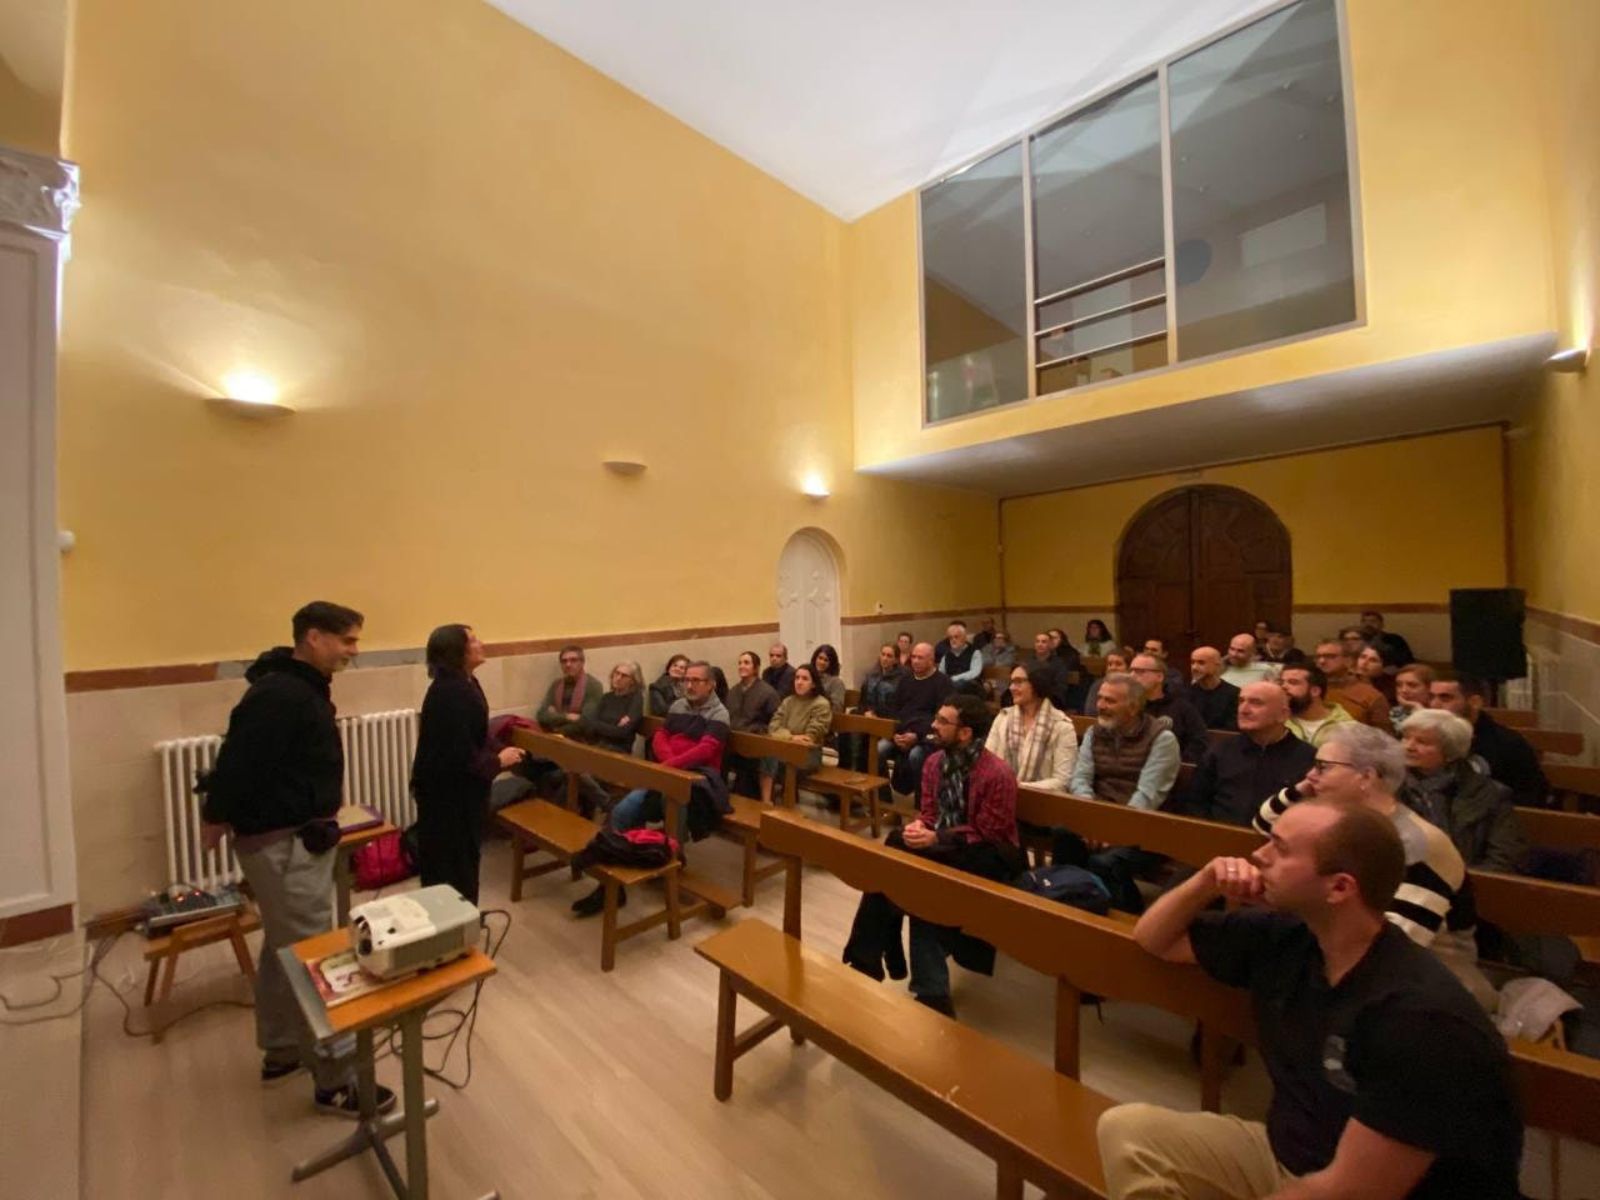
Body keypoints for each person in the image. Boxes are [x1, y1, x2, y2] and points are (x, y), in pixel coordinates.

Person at [1099, 800, 1522, 1200]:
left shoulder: (1422, 1020)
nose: (1259, 855)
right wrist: (1207, 880)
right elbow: (1154, 938)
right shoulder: (1289, 937)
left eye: (1280, 849)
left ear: (1339, 887)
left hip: (1372, 1189)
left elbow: (1352, 1191)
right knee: (1129, 1131)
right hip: (1290, 1156)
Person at [199, 601, 395, 1117]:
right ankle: (336, 1078)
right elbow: (239, 763)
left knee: (282, 950)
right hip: (283, 846)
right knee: (318, 958)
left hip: (287, 840)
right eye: (347, 640)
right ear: (313, 638)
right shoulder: (281, 695)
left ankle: (282, 1048)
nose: (355, 651)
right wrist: (215, 814)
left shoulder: (291, 687)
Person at [843, 695, 1022, 1017]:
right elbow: (928, 812)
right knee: (896, 849)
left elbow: (989, 833)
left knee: (922, 886)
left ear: (965, 732)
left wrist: (936, 837)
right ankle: (888, 969)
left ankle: (878, 958)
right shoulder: (933, 763)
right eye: (936, 718)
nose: (933, 726)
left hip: (987, 854)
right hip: (946, 845)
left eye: (942, 721)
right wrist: (919, 828)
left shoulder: (997, 773)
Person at [1254, 726, 1466, 953]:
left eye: (1323, 767)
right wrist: (1305, 788)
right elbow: (1264, 823)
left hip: (1432, 969)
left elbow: (1398, 942)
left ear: (1366, 776)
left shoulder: (1417, 842)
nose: (1310, 775)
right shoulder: (1343, 820)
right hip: (1340, 944)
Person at [573, 661, 730, 916]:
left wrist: (669, 766)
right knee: (621, 813)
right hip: (667, 773)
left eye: (695, 680)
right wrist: (668, 764)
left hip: (699, 780)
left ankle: (672, 860)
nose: (688, 685)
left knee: (674, 799)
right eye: (685, 680)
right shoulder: (678, 705)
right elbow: (660, 736)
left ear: (710, 684)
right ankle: (609, 887)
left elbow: (706, 750)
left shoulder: (719, 713)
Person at [412, 624, 525, 905]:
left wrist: (499, 748)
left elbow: (477, 734)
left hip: (460, 796)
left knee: (463, 863)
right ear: (456, 651)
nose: (481, 643)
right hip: (448, 799)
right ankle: (455, 931)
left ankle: (461, 924)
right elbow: (458, 757)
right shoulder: (452, 692)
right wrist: (499, 760)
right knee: (452, 868)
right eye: (473, 640)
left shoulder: (465, 683)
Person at [1067, 673, 1180, 909]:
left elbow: (1147, 796)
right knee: (1064, 835)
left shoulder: (1161, 738)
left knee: (1105, 861)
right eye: (1100, 698)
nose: (1100, 706)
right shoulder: (1094, 732)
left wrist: (1114, 829)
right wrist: (1090, 820)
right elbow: (1080, 778)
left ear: (1133, 707)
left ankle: (1128, 919)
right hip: (1099, 816)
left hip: (1146, 825)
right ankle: (1071, 905)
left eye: (1110, 701)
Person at [1400, 709, 1527, 873]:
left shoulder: (1490, 793)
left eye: (1422, 742)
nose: (1409, 746)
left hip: (1466, 882)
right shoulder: (1389, 785)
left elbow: (1505, 857)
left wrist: (1461, 884)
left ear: (1450, 752)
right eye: (1405, 738)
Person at [1187, 680, 1316, 827]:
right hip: (1218, 838)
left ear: (1283, 714)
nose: (1243, 709)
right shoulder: (1219, 751)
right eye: (1241, 701)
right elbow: (1195, 803)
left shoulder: (1307, 758)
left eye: (1256, 703)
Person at [1429, 670, 1550, 809]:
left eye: (1445, 698)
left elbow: (1530, 798)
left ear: (1475, 702)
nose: (1434, 705)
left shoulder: (1507, 743)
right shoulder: (1428, 737)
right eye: (1432, 697)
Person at [985, 663, 1078, 791]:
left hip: (1043, 803)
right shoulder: (1003, 718)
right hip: (1000, 796)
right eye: (1011, 682)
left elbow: (1062, 781)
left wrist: (1018, 787)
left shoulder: (1062, 726)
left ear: (1037, 684)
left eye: (1018, 682)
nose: (1011, 687)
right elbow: (986, 764)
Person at [880, 642, 954, 794]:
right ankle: (883, 800)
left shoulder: (943, 682)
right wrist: (896, 732)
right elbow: (895, 709)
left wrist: (916, 736)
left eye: (920, 658)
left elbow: (940, 718)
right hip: (902, 731)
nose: (915, 661)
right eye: (913, 657)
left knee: (916, 755)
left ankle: (922, 803)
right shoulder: (905, 680)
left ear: (931, 660)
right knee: (878, 749)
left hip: (928, 735)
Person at [759, 663, 832, 804]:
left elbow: (809, 738)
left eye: (805, 679)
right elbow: (773, 727)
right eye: (797, 678)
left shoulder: (821, 704)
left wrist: (784, 735)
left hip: (808, 754)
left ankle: (781, 803)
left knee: (777, 762)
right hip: (785, 748)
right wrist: (792, 736)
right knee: (764, 757)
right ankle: (767, 802)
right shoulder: (788, 701)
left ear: (813, 684)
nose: (799, 682)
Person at [1130, 652, 1210, 763]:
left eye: (1140, 671)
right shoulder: (1127, 706)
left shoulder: (1182, 707)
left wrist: (1176, 763)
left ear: (1159, 677)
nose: (1132, 676)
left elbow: (1199, 742)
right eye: (1131, 671)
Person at [725, 649, 780, 795]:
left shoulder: (768, 693)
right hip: (734, 742)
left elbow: (774, 722)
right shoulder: (733, 691)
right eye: (740, 663)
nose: (742, 666)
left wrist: (755, 731)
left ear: (755, 668)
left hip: (755, 743)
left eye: (746, 663)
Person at [1314, 640, 1392, 732]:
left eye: (1330, 656)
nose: (1321, 661)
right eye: (1318, 657)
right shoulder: (1308, 690)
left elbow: (1384, 738)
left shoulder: (1370, 695)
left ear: (1348, 661)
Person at [1282, 664, 1356, 747]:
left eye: (1293, 682)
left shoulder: (1346, 726)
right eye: (1281, 682)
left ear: (1315, 691)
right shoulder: (1278, 720)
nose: (1284, 687)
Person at [536, 644, 602, 733]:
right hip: (554, 735)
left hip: (579, 738)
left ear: (582, 662)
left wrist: (555, 718)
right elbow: (541, 715)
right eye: (564, 661)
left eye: (573, 660)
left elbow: (586, 721)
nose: (568, 664)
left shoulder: (593, 685)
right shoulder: (556, 685)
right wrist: (567, 716)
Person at [1183, 645, 1240, 731]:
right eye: (1192, 662)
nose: (1194, 667)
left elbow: (1232, 730)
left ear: (1217, 665)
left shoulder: (1234, 694)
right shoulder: (1184, 694)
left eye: (1201, 663)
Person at [938, 620, 985, 689]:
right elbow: (941, 674)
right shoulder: (946, 655)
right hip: (951, 686)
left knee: (960, 685)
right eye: (950, 638)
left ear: (964, 637)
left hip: (971, 687)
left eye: (956, 637)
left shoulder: (975, 652)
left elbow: (975, 672)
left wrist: (954, 678)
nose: (953, 640)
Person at [1080, 650, 1129, 716]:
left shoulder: (1133, 687)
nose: (1113, 668)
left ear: (1128, 668)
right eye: (1109, 664)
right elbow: (1090, 711)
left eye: (1118, 664)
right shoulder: (1098, 685)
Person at [1390, 662, 1434, 732]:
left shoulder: (1440, 713)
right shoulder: (1394, 712)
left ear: (1429, 688)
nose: (1403, 690)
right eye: (1399, 685)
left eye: (1412, 685)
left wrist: (1417, 707)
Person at [809, 643, 847, 711]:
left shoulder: (836, 682)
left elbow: (837, 709)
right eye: (820, 658)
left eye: (826, 660)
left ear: (831, 663)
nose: (822, 662)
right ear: (815, 658)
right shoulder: (808, 677)